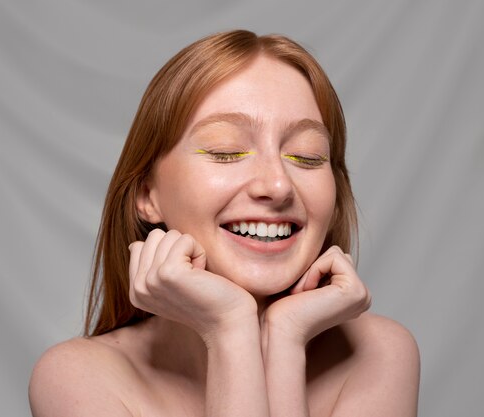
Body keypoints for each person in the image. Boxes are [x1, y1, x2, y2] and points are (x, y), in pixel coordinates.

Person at [28, 30, 420, 417]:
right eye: (226, 151)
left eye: (307, 156)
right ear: (147, 196)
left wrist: (286, 338)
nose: (278, 185)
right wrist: (229, 329)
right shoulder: (78, 379)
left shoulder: (379, 354)